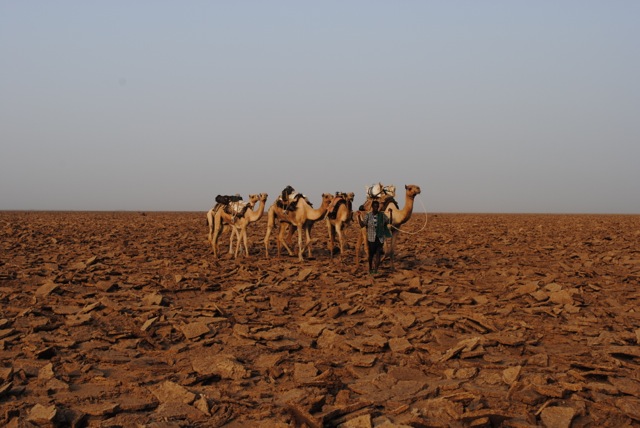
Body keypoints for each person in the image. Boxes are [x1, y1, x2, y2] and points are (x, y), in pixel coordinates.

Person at [358, 200, 392, 274]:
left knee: (378, 254)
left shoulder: (382, 215)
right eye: (375, 206)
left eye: (377, 206)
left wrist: (391, 213)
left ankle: (376, 270)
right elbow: (362, 225)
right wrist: (358, 216)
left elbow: (389, 222)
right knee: (371, 255)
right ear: (372, 207)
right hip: (371, 238)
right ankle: (370, 269)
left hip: (380, 238)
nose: (376, 208)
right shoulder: (368, 215)